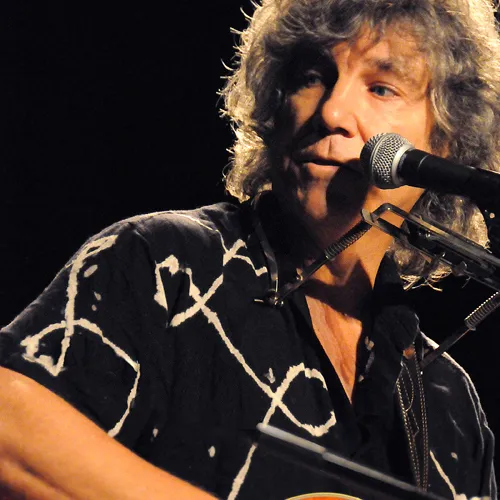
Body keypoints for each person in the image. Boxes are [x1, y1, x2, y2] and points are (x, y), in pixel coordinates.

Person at [0, 0, 499, 498]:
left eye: (381, 88)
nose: (331, 112)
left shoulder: (449, 403)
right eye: (310, 78)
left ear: (445, 141)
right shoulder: (163, 264)